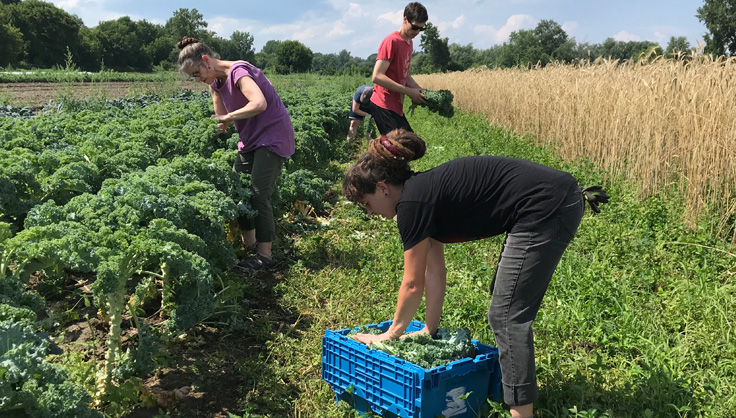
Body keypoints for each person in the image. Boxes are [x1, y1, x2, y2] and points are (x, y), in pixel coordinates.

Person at [342, 130, 609, 418]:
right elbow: (434, 271)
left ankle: (522, 413)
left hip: (548, 207)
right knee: (504, 301)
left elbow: (411, 284)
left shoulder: (412, 204)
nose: (370, 213)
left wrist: (390, 335)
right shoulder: (419, 196)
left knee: (506, 315)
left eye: (366, 204)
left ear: (383, 188)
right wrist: (428, 330)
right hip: (550, 201)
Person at [177, 36, 295, 270]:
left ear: (205, 60)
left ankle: (265, 256)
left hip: (272, 136)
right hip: (250, 140)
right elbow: (221, 117)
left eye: (197, 74)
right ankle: (249, 245)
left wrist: (229, 117)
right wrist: (218, 126)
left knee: (258, 193)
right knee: (237, 188)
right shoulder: (215, 84)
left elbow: (259, 103)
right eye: (193, 77)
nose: (198, 80)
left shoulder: (239, 71)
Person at [368, 2, 428, 136]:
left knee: (409, 147)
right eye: (414, 27)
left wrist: (419, 90)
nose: (417, 32)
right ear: (405, 19)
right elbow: (377, 76)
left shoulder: (409, 43)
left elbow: (403, 73)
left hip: (396, 106)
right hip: (383, 104)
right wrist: (409, 92)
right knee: (401, 150)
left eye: (421, 29)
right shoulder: (391, 41)